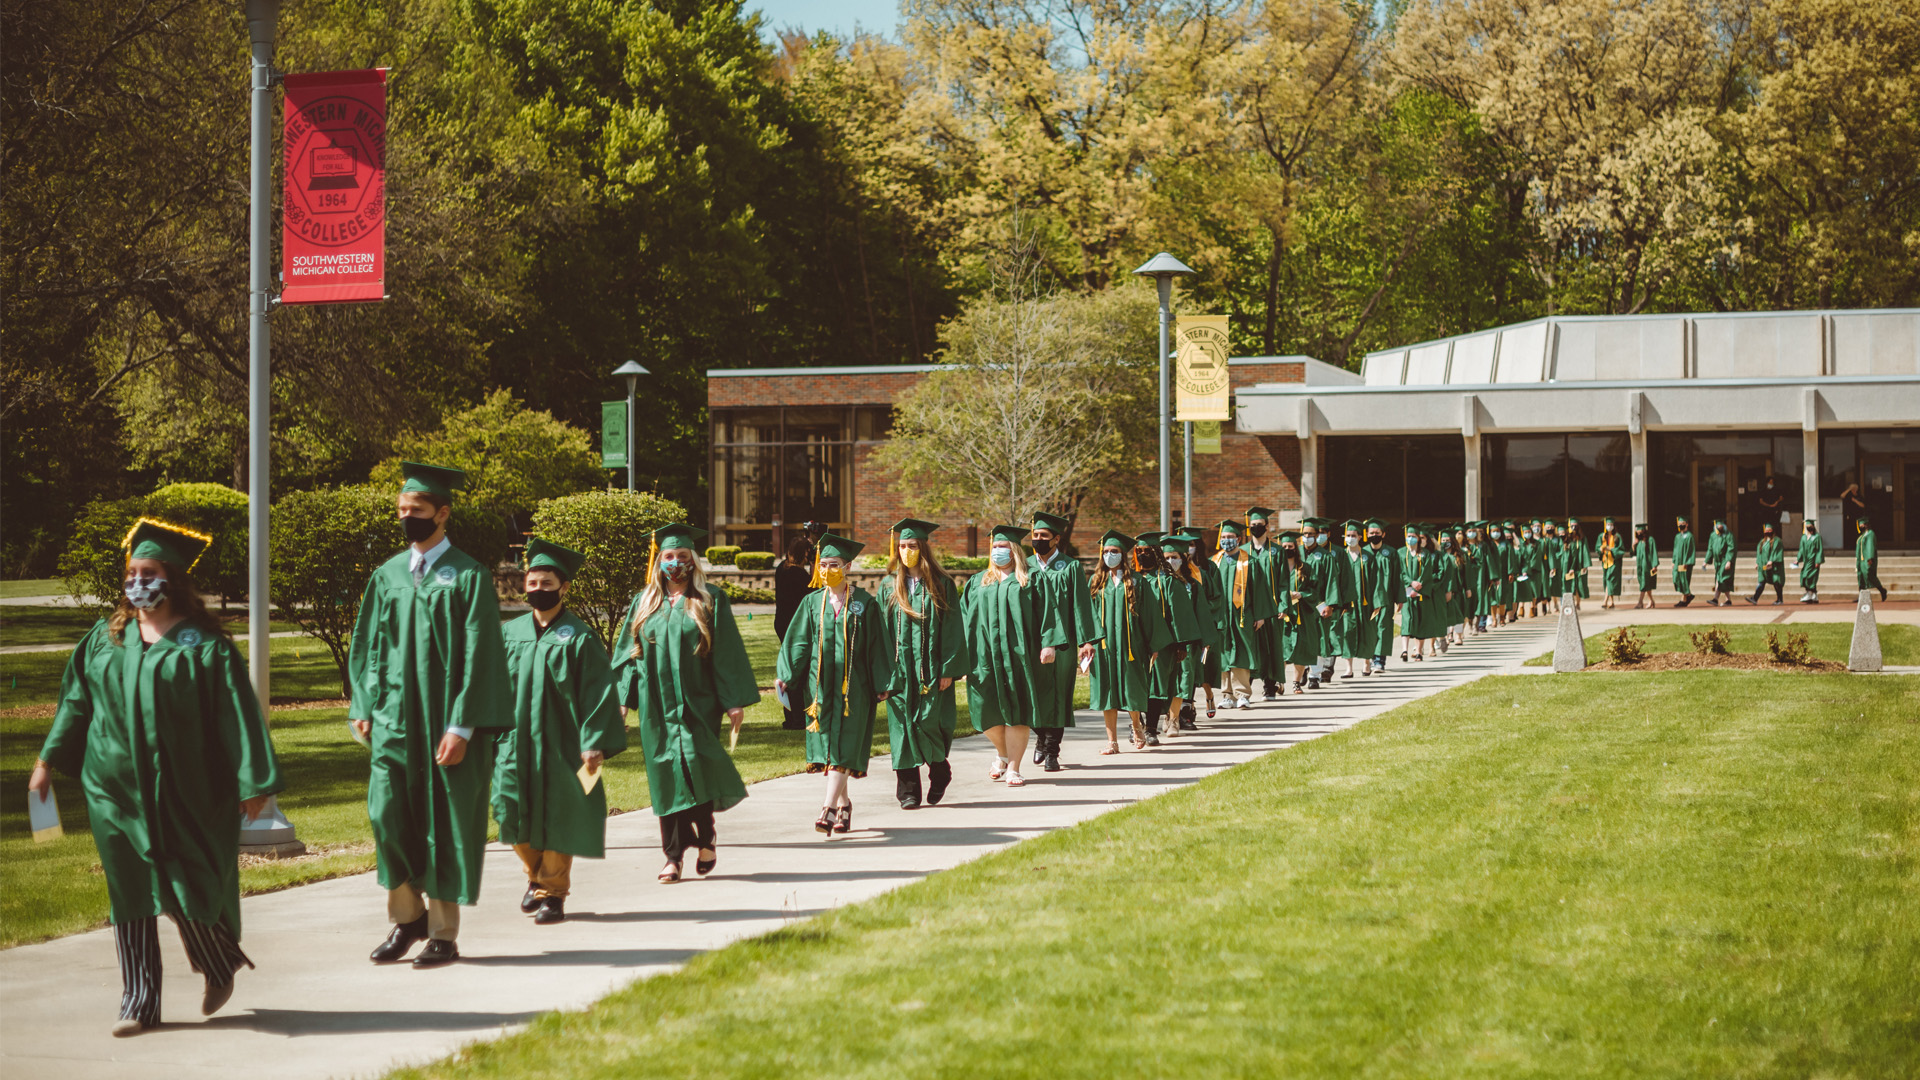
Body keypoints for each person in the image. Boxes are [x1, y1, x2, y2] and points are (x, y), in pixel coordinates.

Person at [32, 520, 280, 1036]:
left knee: (182, 882)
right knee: (128, 889)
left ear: (173, 579)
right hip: (112, 790)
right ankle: (139, 1000)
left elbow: (237, 714)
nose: (138, 582)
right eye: (132, 572)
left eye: (149, 572)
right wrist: (47, 762)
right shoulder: (106, 638)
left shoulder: (204, 645)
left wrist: (254, 781)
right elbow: (76, 702)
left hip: (182, 791)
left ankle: (219, 961)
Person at [348, 462, 511, 968]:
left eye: (415, 511)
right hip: (395, 717)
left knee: (445, 820)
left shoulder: (468, 576)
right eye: (401, 510)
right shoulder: (387, 575)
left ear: (442, 513)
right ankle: (407, 917)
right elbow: (368, 645)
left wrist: (462, 725)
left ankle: (442, 931)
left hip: (445, 718)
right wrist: (364, 703)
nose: (406, 518)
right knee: (385, 814)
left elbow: (482, 653)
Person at [613, 523, 759, 882]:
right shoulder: (643, 601)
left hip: (697, 702)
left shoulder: (710, 599)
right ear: (658, 561)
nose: (674, 562)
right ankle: (673, 857)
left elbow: (725, 654)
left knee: (696, 767)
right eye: (668, 556)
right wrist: (621, 700)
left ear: (693, 561)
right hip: (655, 706)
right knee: (664, 774)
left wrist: (732, 701)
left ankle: (706, 835)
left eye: (681, 556)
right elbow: (629, 655)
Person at [493, 538, 624, 925]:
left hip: (563, 745)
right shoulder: (510, 632)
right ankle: (535, 876)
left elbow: (599, 691)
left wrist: (593, 742)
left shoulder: (579, 637)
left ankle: (553, 892)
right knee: (508, 808)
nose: (537, 590)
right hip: (515, 742)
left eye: (546, 583)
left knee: (559, 815)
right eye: (532, 583)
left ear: (564, 587)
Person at [778, 532, 894, 836]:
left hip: (854, 690)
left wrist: (883, 681)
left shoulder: (865, 603)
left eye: (834, 564)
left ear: (848, 566)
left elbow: (878, 646)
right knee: (830, 750)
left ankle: (827, 808)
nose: (827, 570)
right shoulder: (811, 603)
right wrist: (786, 675)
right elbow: (798, 644)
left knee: (842, 748)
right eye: (823, 564)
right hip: (818, 689)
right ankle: (844, 805)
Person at [879, 519, 964, 809]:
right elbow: (880, 634)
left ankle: (940, 770)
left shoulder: (942, 584)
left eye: (912, 546)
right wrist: (882, 674)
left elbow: (953, 628)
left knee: (928, 723)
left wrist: (948, 670)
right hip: (898, 673)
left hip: (931, 671)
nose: (906, 551)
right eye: (902, 546)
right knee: (901, 728)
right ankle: (908, 790)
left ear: (923, 548)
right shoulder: (888, 586)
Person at [961, 525, 1043, 786]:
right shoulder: (978, 581)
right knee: (984, 709)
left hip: (1019, 656)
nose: (997, 551)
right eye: (994, 547)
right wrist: (962, 656)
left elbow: (1047, 615)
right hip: (984, 656)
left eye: (1003, 547)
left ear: (1015, 550)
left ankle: (1014, 768)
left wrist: (1049, 645)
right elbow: (965, 619)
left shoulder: (1031, 580)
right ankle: (1003, 752)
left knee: (1017, 710)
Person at [1026, 511, 1096, 772]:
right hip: (1033, 642)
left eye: (1044, 536)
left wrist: (1086, 641)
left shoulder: (1070, 566)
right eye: (1035, 535)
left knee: (1057, 696)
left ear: (1056, 539)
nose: (1038, 539)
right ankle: (1041, 737)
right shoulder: (1026, 567)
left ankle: (1052, 751)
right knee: (1031, 692)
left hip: (1064, 643)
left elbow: (1081, 605)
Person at [1088, 530, 1168, 754]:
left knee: (1133, 688)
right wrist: (1086, 643)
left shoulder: (1136, 582)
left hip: (1131, 646)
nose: (1109, 555)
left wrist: (1153, 645)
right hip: (1104, 647)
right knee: (1108, 693)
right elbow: (1087, 615)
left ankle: (1136, 726)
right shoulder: (1096, 583)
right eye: (1105, 551)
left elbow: (1150, 614)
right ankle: (1111, 741)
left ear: (1123, 555)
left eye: (1114, 551)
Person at [1141, 532, 1204, 738]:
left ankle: (1151, 728)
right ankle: (1138, 726)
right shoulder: (1134, 580)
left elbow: (1179, 615)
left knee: (1157, 687)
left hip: (1163, 644)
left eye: (1147, 552)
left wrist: (1181, 645)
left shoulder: (1168, 581)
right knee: (1137, 685)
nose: (1143, 556)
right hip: (1137, 643)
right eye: (1139, 552)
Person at [1211, 518, 1273, 707]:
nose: (1226, 540)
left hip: (1242, 616)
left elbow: (1260, 591)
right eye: (1223, 537)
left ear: (1238, 539)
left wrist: (1260, 615)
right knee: (1224, 654)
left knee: (1241, 653)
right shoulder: (1215, 562)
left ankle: (1243, 694)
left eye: (1230, 537)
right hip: (1221, 617)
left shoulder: (1250, 562)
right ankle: (1227, 695)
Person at [1173, 527, 1223, 720]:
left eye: (1191, 545)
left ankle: (1208, 695)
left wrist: (1197, 611)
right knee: (1186, 670)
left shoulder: (1207, 570)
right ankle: (1188, 708)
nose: (1188, 549)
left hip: (1201, 627)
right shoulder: (1173, 573)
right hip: (1182, 631)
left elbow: (1216, 599)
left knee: (1200, 670)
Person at [772, 534, 818, 730]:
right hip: (796, 626)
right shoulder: (798, 575)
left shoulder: (782, 568)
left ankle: (792, 717)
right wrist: (814, 566)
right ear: (804, 553)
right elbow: (814, 592)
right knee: (798, 670)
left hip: (782, 623)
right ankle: (797, 718)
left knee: (790, 666)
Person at [1243, 507, 1284, 699]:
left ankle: (1270, 686)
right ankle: (1246, 688)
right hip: (1251, 609)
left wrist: (1283, 605)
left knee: (1270, 648)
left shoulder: (1277, 551)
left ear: (1267, 526)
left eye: (1259, 525)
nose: (1256, 528)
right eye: (1253, 525)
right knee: (1251, 647)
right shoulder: (1243, 551)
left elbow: (1284, 581)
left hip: (1272, 609)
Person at [1356, 519, 1399, 672]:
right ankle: (1368, 659)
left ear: (1383, 534)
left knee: (1383, 627)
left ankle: (1379, 661)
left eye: (1377, 533)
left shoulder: (1391, 553)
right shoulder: (1362, 552)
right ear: (1367, 535)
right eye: (1372, 533)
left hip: (1385, 596)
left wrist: (1399, 598)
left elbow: (1396, 577)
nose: (1375, 535)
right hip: (1366, 598)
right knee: (1369, 629)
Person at [1748, 523, 1785, 605]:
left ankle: (1780, 599)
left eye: (1769, 530)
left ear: (1773, 531)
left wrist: (1771, 560)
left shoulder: (1777, 541)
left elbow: (1776, 552)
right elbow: (1759, 553)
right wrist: (1757, 563)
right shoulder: (1762, 541)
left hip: (1774, 566)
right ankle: (1755, 598)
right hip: (1764, 566)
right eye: (1766, 531)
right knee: (1762, 581)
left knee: (1776, 581)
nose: (1768, 532)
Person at [1855, 514, 1889, 602]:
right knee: (1861, 577)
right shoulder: (1862, 535)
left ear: (1866, 524)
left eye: (1861, 525)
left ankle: (1882, 590)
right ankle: (1861, 597)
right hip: (1861, 561)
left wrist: (1870, 558)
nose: (1860, 526)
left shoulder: (1870, 534)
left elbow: (1870, 546)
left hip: (1867, 560)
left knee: (1869, 575)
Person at [1706, 518, 1736, 607]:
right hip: (1717, 561)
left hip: (1725, 560)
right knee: (1720, 579)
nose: (1720, 527)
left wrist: (1729, 561)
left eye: (1721, 525)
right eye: (1718, 525)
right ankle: (1726, 600)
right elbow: (1710, 549)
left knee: (1721, 579)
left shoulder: (1729, 535)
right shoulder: (1713, 535)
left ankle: (1717, 599)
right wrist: (1706, 561)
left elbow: (1731, 548)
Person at [1561, 518, 1591, 609]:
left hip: (1580, 564)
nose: (1574, 527)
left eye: (1575, 525)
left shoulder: (1582, 538)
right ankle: (1572, 602)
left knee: (1579, 585)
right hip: (1570, 565)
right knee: (1571, 584)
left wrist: (1585, 565)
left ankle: (1578, 603)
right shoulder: (1568, 538)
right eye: (1572, 525)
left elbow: (1585, 551)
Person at [1795, 519, 1825, 603]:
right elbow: (1801, 550)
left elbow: (1820, 550)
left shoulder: (1817, 537)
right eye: (1807, 527)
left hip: (1813, 560)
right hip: (1806, 560)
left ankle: (1809, 593)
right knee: (1804, 576)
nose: (1809, 528)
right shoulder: (1804, 538)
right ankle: (1813, 595)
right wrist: (1797, 560)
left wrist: (1818, 561)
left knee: (1809, 577)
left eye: (1811, 526)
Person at [1597, 517, 1624, 608]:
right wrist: (1600, 549)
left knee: (1609, 579)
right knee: (1607, 581)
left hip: (1614, 562)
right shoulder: (1601, 536)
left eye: (1611, 525)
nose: (1610, 526)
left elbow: (1621, 550)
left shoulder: (1617, 536)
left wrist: (1611, 550)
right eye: (1608, 524)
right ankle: (1612, 602)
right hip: (1605, 561)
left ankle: (1605, 600)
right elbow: (1597, 547)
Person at [1670, 515, 1697, 607]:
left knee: (1683, 579)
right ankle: (1688, 595)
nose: (1681, 525)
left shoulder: (1689, 536)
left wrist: (1687, 562)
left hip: (1684, 562)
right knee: (1676, 577)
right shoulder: (1677, 536)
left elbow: (1691, 550)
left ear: (1687, 524)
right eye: (1679, 524)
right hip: (1678, 561)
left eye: (1683, 523)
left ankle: (1684, 599)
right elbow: (1675, 549)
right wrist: (1673, 561)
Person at [1633, 522, 1660, 609]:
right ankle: (1651, 601)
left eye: (1640, 532)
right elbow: (1633, 553)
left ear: (1645, 531)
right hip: (1640, 567)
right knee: (1645, 584)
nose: (1639, 534)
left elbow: (1654, 552)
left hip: (1648, 567)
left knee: (1644, 584)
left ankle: (1640, 602)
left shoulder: (1651, 540)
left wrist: (1654, 565)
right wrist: (1634, 545)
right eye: (1638, 533)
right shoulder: (1640, 543)